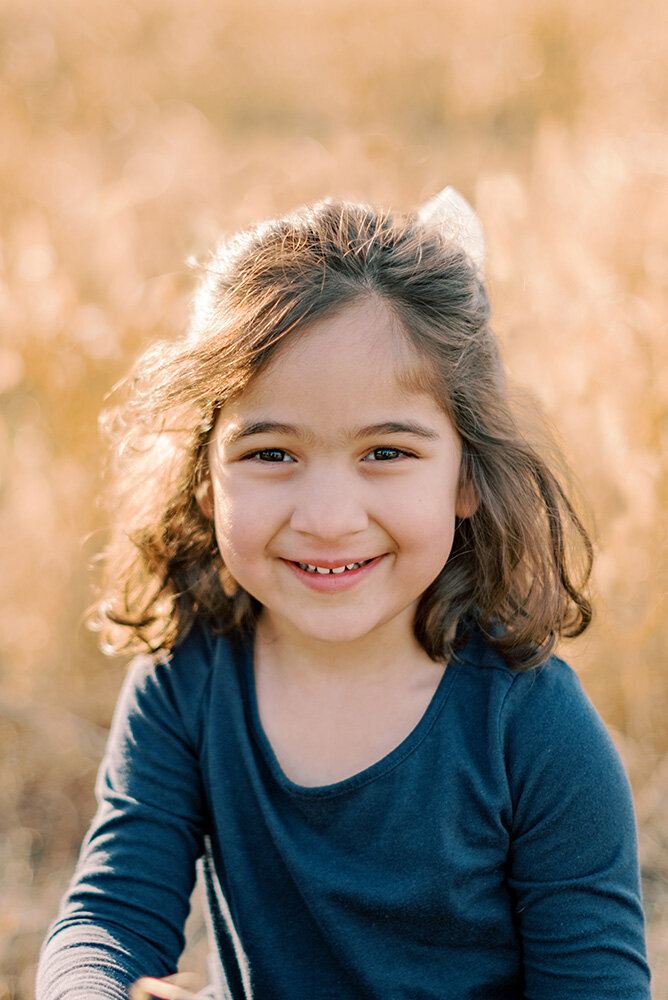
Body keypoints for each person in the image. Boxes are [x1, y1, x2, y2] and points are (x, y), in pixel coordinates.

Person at [37, 190, 651, 1000]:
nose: (328, 520)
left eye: (387, 452)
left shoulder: (533, 733)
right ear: (205, 475)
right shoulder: (188, 682)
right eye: (272, 454)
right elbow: (111, 916)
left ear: (467, 475)